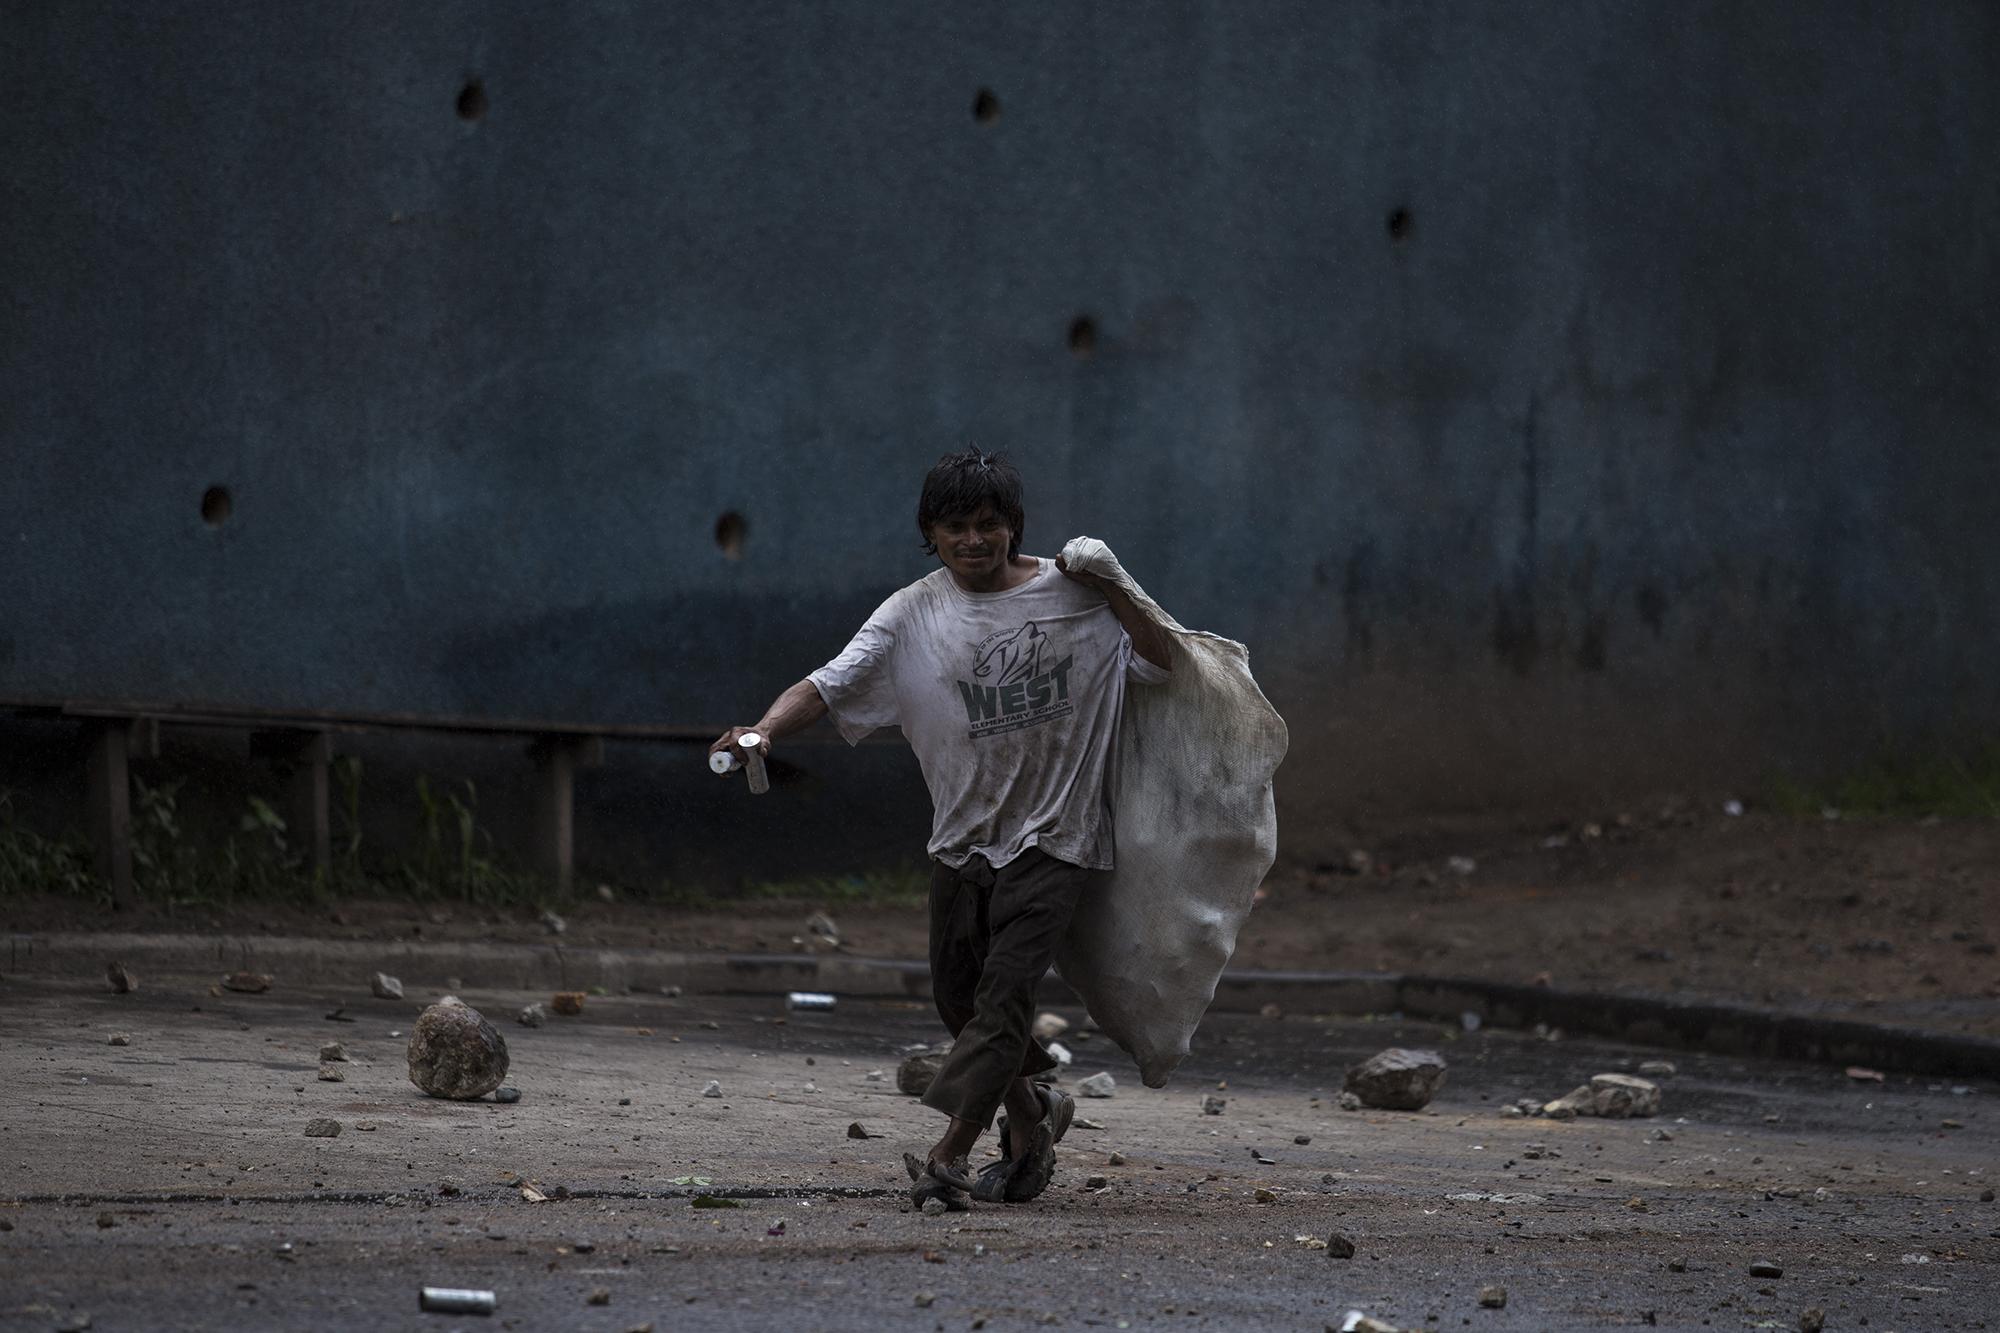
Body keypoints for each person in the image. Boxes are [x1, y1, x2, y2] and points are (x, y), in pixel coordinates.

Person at [709, 448, 1172, 1209]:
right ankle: (1033, 1113)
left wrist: (1119, 586)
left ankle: (948, 1157)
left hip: (1058, 836)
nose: (974, 540)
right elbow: (828, 682)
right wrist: (762, 730)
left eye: (989, 524)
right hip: (962, 839)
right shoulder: (912, 612)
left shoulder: (1078, 594)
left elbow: (1161, 657)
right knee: (958, 1000)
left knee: (1001, 998)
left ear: (1013, 528)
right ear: (931, 532)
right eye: (956, 526)